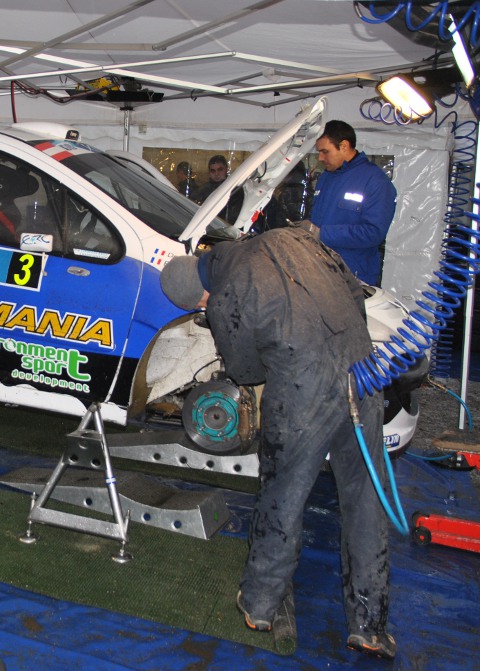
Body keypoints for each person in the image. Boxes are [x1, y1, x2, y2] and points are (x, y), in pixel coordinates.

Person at [160, 227, 395, 660]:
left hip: (305, 388)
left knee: (283, 493)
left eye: (200, 306)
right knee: (366, 497)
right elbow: (353, 290)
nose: (205, 308)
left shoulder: (226, 293)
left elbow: (244, 372)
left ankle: (260, 603)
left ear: (199, 294)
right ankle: (370, 626)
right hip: (364, 372)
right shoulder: (291, 239)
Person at [308, 120, 397, 286]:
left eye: (325, 152)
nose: (320, 158)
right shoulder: (326, 178)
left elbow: (373, 233)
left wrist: (321, 233)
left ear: (344, 146)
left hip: (352, 276)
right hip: (320, 269)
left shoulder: (375, 181)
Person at [191, 154, 243, 225]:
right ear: (209, 172)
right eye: (213, 171)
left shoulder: (235, 190)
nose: (216, 174)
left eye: (220, 170)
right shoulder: (202, 190)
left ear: (226, 169)